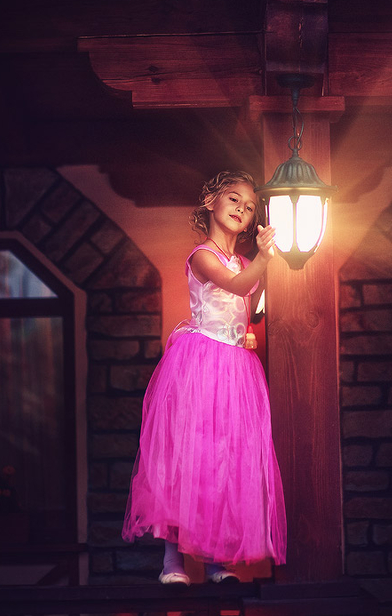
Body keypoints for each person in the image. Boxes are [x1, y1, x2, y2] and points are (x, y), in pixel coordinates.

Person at [122, 170, 287, 584]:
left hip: (236, 369)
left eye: (250, 207)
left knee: (223, 461)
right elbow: (236, 285)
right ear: (211, 202)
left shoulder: (247, 261)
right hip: (201, 364)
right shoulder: (202, 256)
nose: (242, 209)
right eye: (233, 199)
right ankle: (172, 562)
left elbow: (253, 298)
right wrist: (265, 259)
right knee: (186, 458)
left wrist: (267, 268)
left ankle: (216, 560)